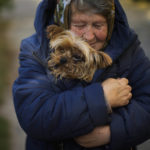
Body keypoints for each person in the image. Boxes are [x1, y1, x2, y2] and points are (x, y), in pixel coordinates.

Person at [12, 0, 150, 150]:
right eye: (79, 25)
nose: (89, 36)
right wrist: (102, 97)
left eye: (98, 25)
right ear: (62, 22)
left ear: (110, 24)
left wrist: (111, 133)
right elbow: (34, 116)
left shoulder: (128, 48)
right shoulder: (35, 49)